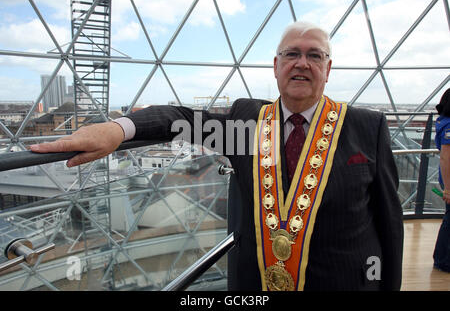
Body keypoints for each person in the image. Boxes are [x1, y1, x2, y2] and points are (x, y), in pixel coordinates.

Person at [30, 21, 404, 291]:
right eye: (292, 54)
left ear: (328, 69)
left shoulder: (365, 127)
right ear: (276, 67)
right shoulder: (247, 124)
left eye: (314, 55)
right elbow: (179, 119)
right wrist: (117, 129)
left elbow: (389, 224)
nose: (302, 63)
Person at [433, 88, 450, 272]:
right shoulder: (449, 125)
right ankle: (443, 260)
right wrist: (448, 189)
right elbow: (446, 157)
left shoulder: (442, 122)